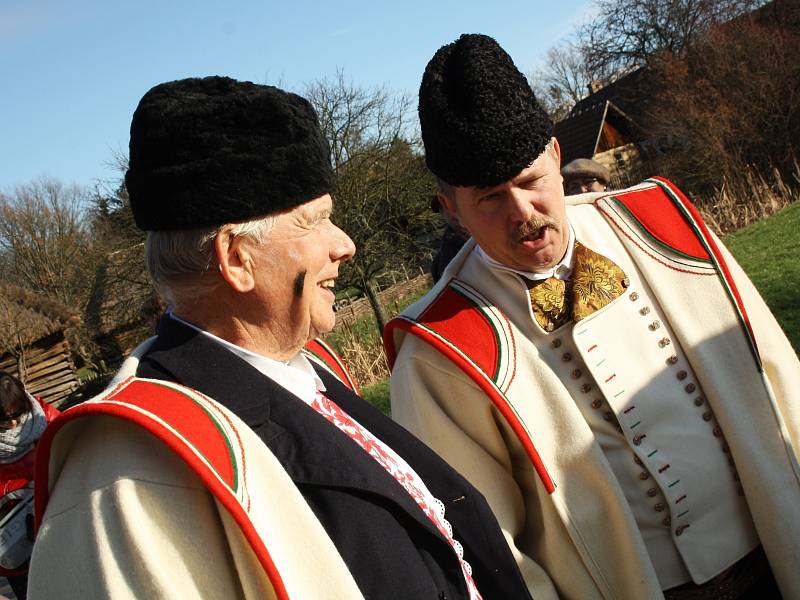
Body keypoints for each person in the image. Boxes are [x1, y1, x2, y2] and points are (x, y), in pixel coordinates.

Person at [27, 76, 531, 600]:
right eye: (315, 222)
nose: (346, 245)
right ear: (237, 259)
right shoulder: (125, 473)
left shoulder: (307, 369)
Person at [385, 34, 800, 600]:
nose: (523, 213)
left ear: (556, 155)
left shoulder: (663, 226)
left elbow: (780, 377)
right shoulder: (435, 352)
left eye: (531, 181)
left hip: (778, 542)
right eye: (491, 198)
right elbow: (491, 545)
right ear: (450, 209)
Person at [0, 371, 60, 600]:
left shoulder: (47, 417)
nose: (13, 423)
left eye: (17, 413)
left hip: (60, 525)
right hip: (18, 548)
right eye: (4, 420)